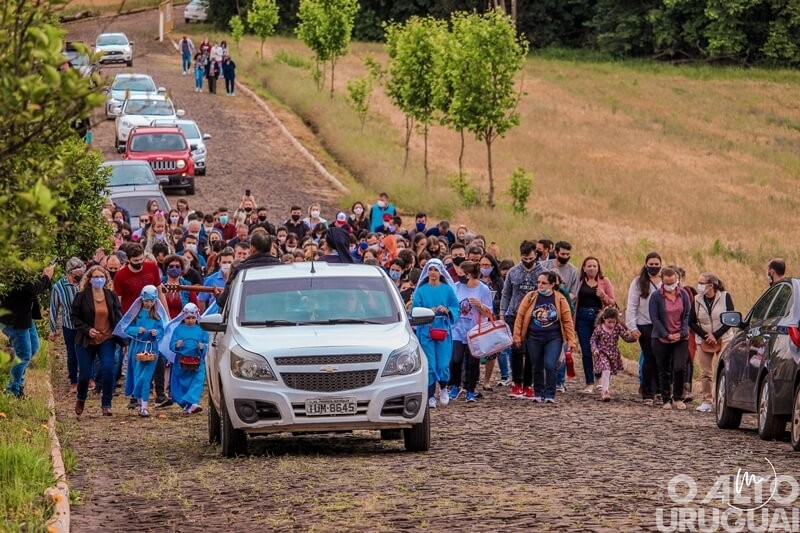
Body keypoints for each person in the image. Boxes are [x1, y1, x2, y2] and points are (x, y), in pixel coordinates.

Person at [513, 271, 577, 403]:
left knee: (550, 364)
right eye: (538, 282)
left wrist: (571, 340)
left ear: (552, 284)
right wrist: (517, 336)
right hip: (533, 337)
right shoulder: (530, 297)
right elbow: (520, 316)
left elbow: (567, 320)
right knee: (536, 365)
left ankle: (549, 394)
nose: (540, 285)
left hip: (553, 337)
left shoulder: (560, 299)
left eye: (544, 283)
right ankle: (538, 392)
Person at [500, 240, 552, 399]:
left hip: (535, 316)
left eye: (530, 258)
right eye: (524, 258)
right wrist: (502, 313)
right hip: (514, 315)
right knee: (516, 350)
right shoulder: (513, 272)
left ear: (535, 255)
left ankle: (528, 384)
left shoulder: (543, 273)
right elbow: (506, 293)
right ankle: (517, 383)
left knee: (532, 352)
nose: (527, 261)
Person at [71, 266, 122, 416]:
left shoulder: (111, 296)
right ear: (89, 279)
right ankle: (81, 398)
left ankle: (106, 403)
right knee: (85, 373)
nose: (98, 279)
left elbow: (118, 316)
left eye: (101, 276)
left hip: (107, 338)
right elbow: (74, 317)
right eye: (95, 277)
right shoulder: (81, 296)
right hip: (86, 340)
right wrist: (87, 329)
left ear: (106, 279)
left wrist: (123, 337)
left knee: (108, 369)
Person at [412, 259, 460, 409]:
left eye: (436, 270)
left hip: (443, 330)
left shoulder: (447, 289)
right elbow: (415, 309)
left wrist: (447, 310)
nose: (433, 272)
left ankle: (444, 388)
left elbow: (455, 307)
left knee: (443, 363)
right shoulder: (421, 290)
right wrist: (428, 311)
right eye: (430, 269)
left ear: (441, 272)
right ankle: (431, 395)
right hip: (426, 330)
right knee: (431, 364)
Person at [114, 285, 169, 417]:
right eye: (146, 301)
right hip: (137, 347)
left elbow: (163, 329)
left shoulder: (157, 315)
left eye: (151, 301)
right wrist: (136, 330)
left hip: (152, 348)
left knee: (146, 377)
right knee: (138, 375)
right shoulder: (136, 314)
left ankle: (144, 406)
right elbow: (125, 328)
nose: (149, 303)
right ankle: (139, 403)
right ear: (142, 300)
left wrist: (157, 332)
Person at [2, 262, 55, 397]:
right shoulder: (14, 269)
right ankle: (12, 390)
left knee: (34, 347)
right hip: (15, 319)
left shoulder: (23, 268)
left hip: (25, 317)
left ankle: (17, 384)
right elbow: (34, 288)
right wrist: (47, 277)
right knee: (24, 354)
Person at [689, 273, 734, 413]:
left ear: (711, 285)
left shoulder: (725, 296)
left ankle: (724, 400)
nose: (700, 285)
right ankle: (707, 400)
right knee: (706, 372)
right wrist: (705, 336)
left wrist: (716, 335)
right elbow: (691, 321)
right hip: (703, 339)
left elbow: (731, 318)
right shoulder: (697, 299)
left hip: (724, 338)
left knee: (723, 370)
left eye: (702, 283)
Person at [448, 261, 493, 402]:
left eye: (461, 273)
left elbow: (488, 313)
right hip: (457, 329)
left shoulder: (483, 289)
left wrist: (479, 305)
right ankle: (455, 385)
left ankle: (470, 390)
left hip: (475, 331)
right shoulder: (456, 287)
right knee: (456, 359)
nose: (459, 276)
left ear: (469, 275)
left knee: (473, 362)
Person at [649, 267, 691, 410]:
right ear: (662, 281)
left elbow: (687, 315)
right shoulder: (656, 297)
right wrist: (666, 334)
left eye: (673, 282)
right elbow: (654, 318)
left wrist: (682, 332)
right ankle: (666, 398)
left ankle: (678, 397)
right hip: (661, 338)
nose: (670, 285)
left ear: (677, 280)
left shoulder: (683, 294)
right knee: (664, 369)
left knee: (680, 367)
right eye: (667, 283)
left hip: (681, 337)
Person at [626, 251, 662, 405]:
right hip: (644, 324)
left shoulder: (665, 281)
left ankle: (660, 390)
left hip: (662, 324)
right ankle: (648, 393)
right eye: (651, 264)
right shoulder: (638, 282)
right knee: (649, 357)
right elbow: (632, 305)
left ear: (660, 265)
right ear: (646, 264)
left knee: (661, 358)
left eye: (656, 264)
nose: (653, 267)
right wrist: (632, 326)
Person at [575, 257, 616, 394]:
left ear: (598, 268)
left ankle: (599, 379)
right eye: (589, 266)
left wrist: (603, 295)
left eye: (594, 266)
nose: (592, 268)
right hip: (582, 318)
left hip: (599, 318)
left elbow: (612, 302)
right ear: (584, 268)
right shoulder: (580, 282)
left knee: (601, 349)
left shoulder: (604, 281)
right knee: (586, 351)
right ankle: (589, 382)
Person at [161, 303, 208, 414]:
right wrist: (177, 345)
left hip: (198, 362)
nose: (190, 320)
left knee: (197, 381)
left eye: (193, 318)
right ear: (183, 317)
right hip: (181, 362)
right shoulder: (178, 329)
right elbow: (172, 345)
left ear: (196, 317)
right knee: (181, 384)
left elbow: (207, 343)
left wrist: (203, 347)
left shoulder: (202, 329)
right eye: (188, 318)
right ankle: (187, 404)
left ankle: (194, 402)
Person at [216, 232, 280, 309]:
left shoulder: (241, 270)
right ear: (270, 248)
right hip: (281, 315)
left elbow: (224, 300)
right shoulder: (283, 269)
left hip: (249, 315)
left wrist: (218, 296)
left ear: (252, 248)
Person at [49, 257, 86, 393]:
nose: (79, 277)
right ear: (69, 274)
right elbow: (54, 308)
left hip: (86, 324)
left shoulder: (85, 283)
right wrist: (52, 329)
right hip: (69, 324)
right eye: (76, 275)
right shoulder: (58, 287)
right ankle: (74, 381)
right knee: (72, 353)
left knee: (88, 350)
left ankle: (89, 377)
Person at [590, 307, 639, 401]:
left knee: (608, 372)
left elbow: (625, 338)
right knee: (606, 368)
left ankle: (605, 387)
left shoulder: (618, 327)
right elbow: (593, 340)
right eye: (609, 322)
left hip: (613, 354)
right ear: (604, 318)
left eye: (614, 322)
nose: (612, 324)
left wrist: (633, 338)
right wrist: (594, 349)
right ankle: (605, 391)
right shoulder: (599, 329)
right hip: (601, 353)